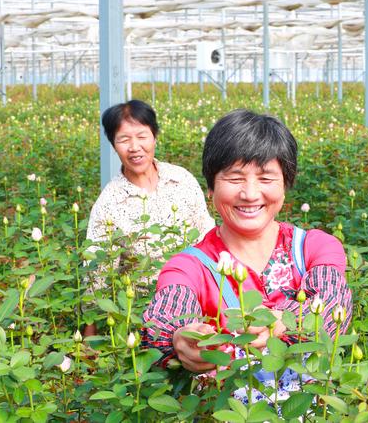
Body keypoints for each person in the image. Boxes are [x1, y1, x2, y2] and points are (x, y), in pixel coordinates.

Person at [142, 109, 352, 381]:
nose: (250, 194)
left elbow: (333, 302)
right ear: (210, 187)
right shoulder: (190, 266)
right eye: (234, 177)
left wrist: (280, 323)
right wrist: (179, 338)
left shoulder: (313, 247)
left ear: (285, 185)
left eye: (266, 178)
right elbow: (165, 316)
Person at [85, 99, 215, 290]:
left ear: (154, 136)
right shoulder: (109, 204)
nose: (134, 147)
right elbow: (97, 271)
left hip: (198, 293)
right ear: (113, 145)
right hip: (144, 307)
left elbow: (206, 235)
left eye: (142, 136)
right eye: (123, 139)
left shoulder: (182, 179)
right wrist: (92, 316)